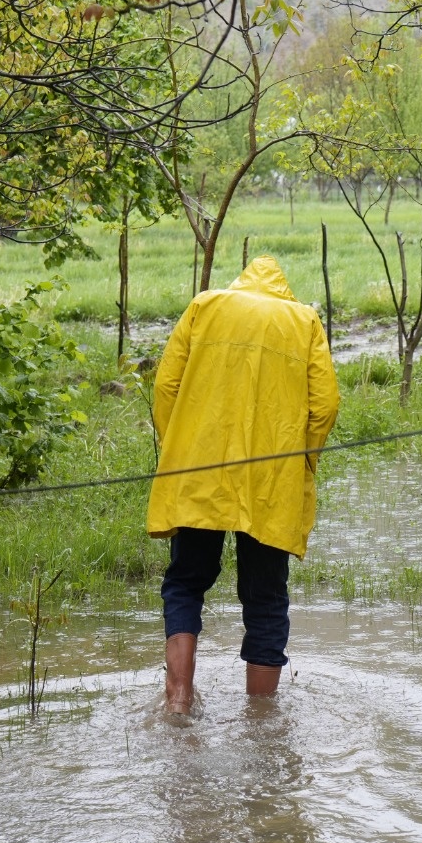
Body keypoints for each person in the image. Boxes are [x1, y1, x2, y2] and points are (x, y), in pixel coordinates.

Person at [145, 256, 340, 717]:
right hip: (270, 483)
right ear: (282, 288)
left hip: (199, 475)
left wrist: (180, 452)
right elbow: (326, 406)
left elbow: (166, 386)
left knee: (186, 583)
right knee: (266, 599)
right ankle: (262, 721)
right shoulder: (304, 320)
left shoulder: (205, 306)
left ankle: (178, 699)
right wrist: (301, 462)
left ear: (241, 280)